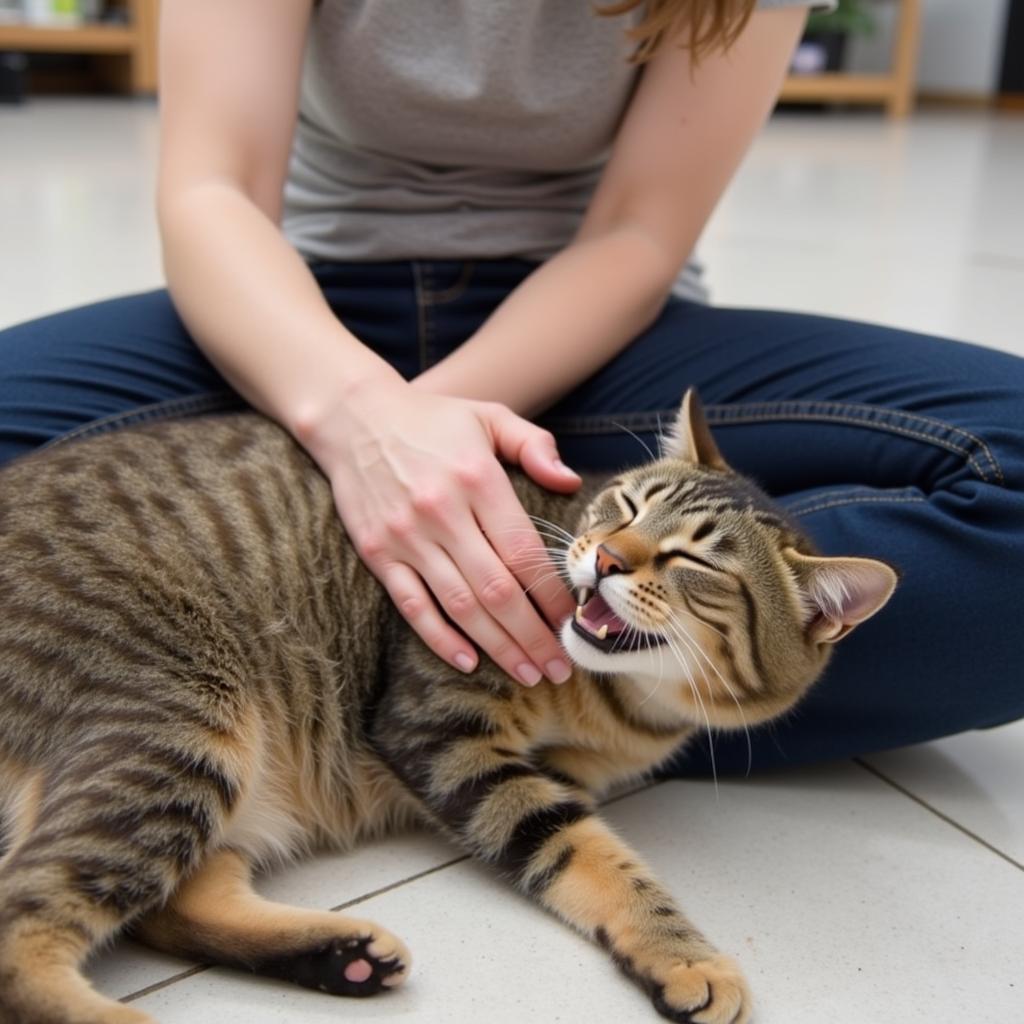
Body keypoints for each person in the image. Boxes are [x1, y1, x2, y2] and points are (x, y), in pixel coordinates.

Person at [2, 0, 1022, 775]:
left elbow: (638, 233)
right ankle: (468, 681)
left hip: (585, 331)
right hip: (300, 309)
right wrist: (366, 431)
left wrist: (435, 448)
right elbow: (211, 188)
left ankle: (483, 682)